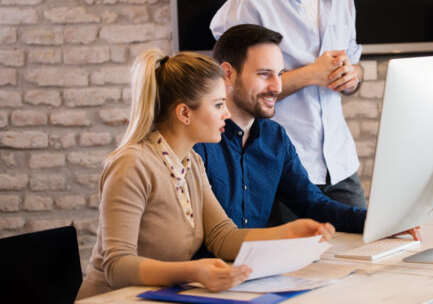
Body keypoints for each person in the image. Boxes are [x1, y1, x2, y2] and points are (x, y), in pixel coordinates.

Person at [77, 49, 334, 299]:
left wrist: (288, 233)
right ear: (184, 113)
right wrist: (193, 272)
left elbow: (223, 237)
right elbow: (117, 267)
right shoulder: (132, 165)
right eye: (219, 104)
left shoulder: (191, 162)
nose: (227, 113)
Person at [210, 0, 367, 215]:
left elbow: (356, 65)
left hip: (339, 162)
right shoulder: (248, 5)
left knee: (364, 253)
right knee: (296, 264)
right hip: (282, 168)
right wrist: (312, 73)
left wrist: (353, 77)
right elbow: (235, 92)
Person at [193, 24, 369, 237]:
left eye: (280, 74)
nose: (277, 87)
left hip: (260, 265)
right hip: (208, 267)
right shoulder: (197, 139)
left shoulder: (275, 137)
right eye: (265, 74)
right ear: (228, 73)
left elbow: (313, 204)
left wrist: (378, 223)